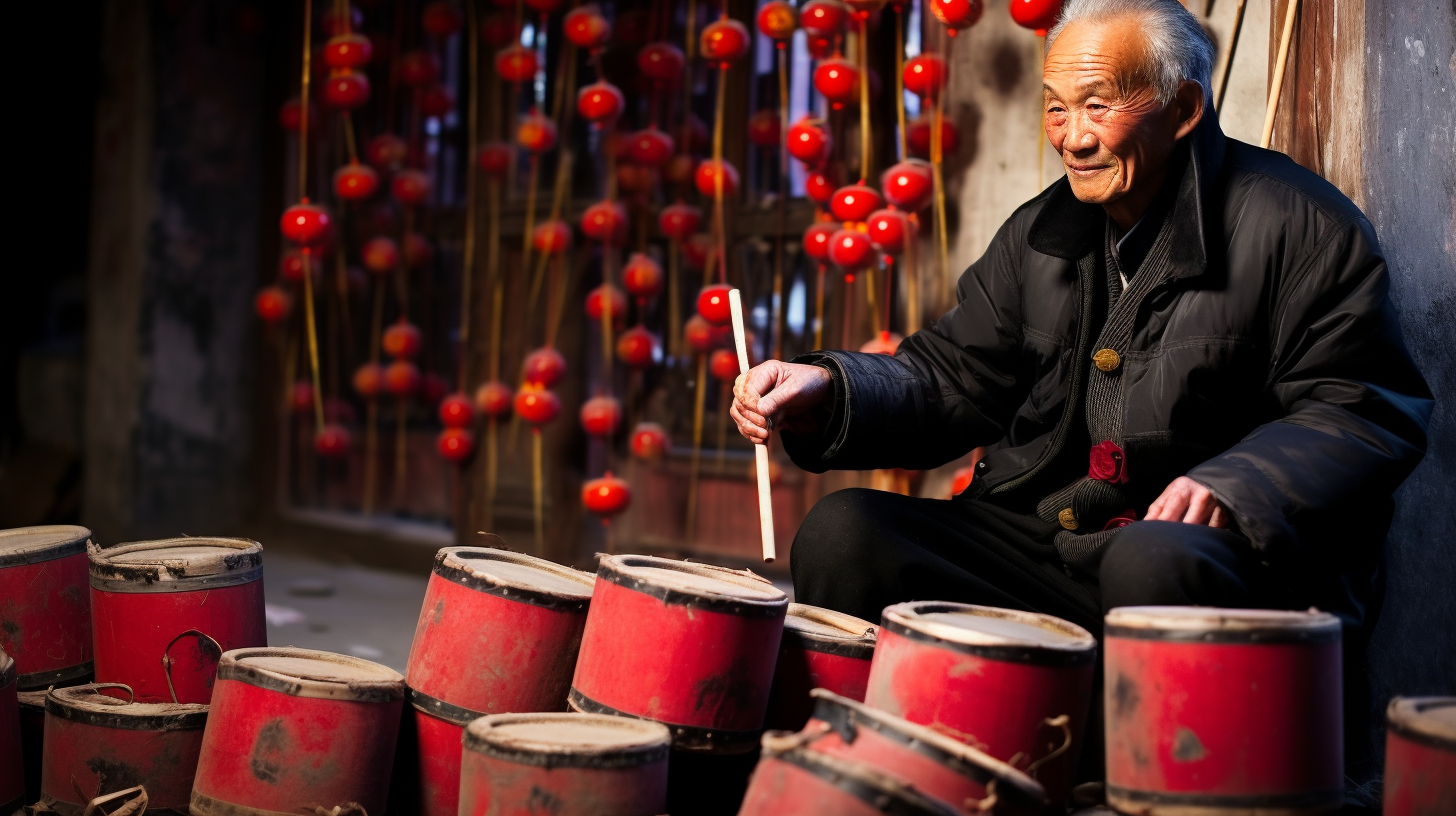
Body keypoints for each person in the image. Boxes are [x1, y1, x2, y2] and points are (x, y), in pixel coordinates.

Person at [732, 0, 1430, 684]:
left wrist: (1236, 483)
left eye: (1098, 105)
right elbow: (955, 377)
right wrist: (829, 388)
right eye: (1057, 106)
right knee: (846, 532)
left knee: (1148, 560)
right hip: (1056, 545)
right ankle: (877, 761)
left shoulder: (1300, 226)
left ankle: (1137, 777)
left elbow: (1362, 408)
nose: (1071, 136)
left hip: (1216, 561)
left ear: (1184, 109)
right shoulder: (1040, 232)